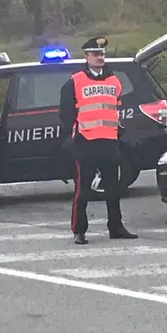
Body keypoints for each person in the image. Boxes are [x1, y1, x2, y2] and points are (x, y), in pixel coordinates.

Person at [58, 36, 138, 245]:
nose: (99, 57)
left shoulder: (114, 80)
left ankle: (116, 227)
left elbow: (115, 109)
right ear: (86, 56)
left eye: (101, 54)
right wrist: (75, 132)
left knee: (113, 188)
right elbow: (65, 112)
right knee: (83, 190)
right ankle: (79, 230)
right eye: (95, 54)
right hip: (85, 142)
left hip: (109, 141)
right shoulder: (75, 80)